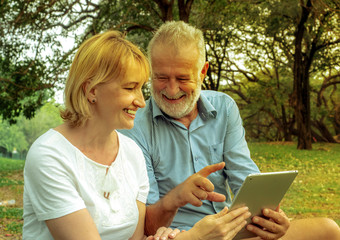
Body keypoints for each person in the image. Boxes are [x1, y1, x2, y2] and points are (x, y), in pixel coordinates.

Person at [119, 21, 340, 240]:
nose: (172, 88)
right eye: (161, 77)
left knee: (329, 230)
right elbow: (146, 227)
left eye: (183, 78)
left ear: (203, 72)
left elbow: (247, 180)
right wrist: (177, 198)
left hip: (234, 230)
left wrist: (272, 218)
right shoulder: (134, 124)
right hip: (184, 235)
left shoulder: (224, 107)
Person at [22, 30, 181, 240]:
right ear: (91, 90)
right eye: (130, 88)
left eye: (141, 88)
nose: (141, 102)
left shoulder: (132, 154)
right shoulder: (49, 156)